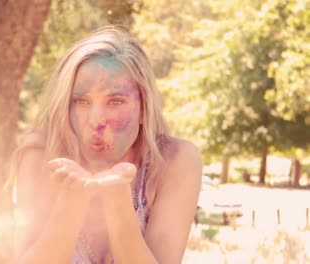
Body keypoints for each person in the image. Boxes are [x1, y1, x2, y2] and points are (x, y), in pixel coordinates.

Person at [11, 25, 202, 264]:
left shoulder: (175, 161)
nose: (96, 120)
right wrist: (73, 200)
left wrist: (117, 198)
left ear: (144, 109)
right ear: (65, 105)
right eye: (82, 101)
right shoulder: (42, 156)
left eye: (115, 101)